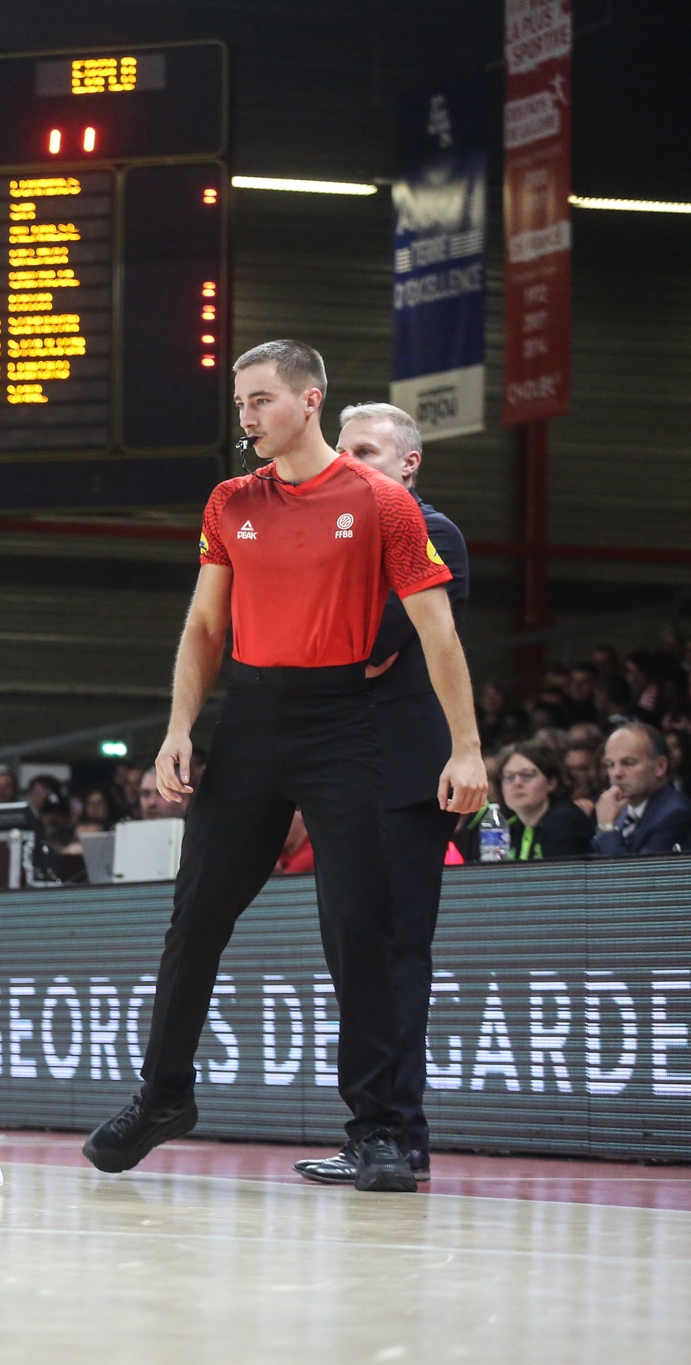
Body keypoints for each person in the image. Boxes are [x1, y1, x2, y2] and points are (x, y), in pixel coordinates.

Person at [83, 341, 485, 1194]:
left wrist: (467, 747)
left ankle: (379, 1131)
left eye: (261, 400)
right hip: (254, 717)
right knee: (195, 917)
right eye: (241, 404)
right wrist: (178, 728)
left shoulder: (383, 503)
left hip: (348, 725)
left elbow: (438, 633)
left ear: (310, 401)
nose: (247, 418)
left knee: (360, 934)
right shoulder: (230, 501)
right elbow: (202, 627)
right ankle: (162, 1096)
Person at [291, 401, 471, 1187]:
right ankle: (374, 1132)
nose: (348, 463)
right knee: (351, 962)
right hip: (341, 780)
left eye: (365, 450)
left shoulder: (436, 534)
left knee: (395, 957)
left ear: (408, 463)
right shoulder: (337, 540)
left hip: (404, 778)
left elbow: (358, 651)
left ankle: (399, 1137)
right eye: (342, 450)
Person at [454, 742, 594, 861]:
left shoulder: (565, 819)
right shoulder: (501, 825)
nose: (517, 783)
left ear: (551, 782)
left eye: (527, 775)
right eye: (508, 777)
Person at [592, 722, 691, 856]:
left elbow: (636, 875)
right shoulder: (618, 809)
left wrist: (606, 828)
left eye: (628, 763)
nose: (616, 773)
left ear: (660, 767)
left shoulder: (675, 814)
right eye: (610, 765)